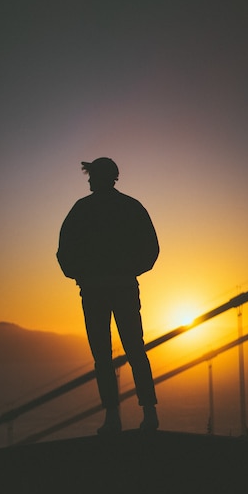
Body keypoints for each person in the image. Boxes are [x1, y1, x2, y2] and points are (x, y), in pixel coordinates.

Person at [57, 157, 159, 434]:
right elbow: (151, 249)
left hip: (93, 292)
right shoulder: (131, 207)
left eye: (91, 176)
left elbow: (64, 252)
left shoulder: (81, 210)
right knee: (135, 350)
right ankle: (149, 413)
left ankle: (112, 417)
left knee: (102, 355)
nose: (88, 181)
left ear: (101, 177)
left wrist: (83, 275)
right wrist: (128, 271)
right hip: (124, 288)